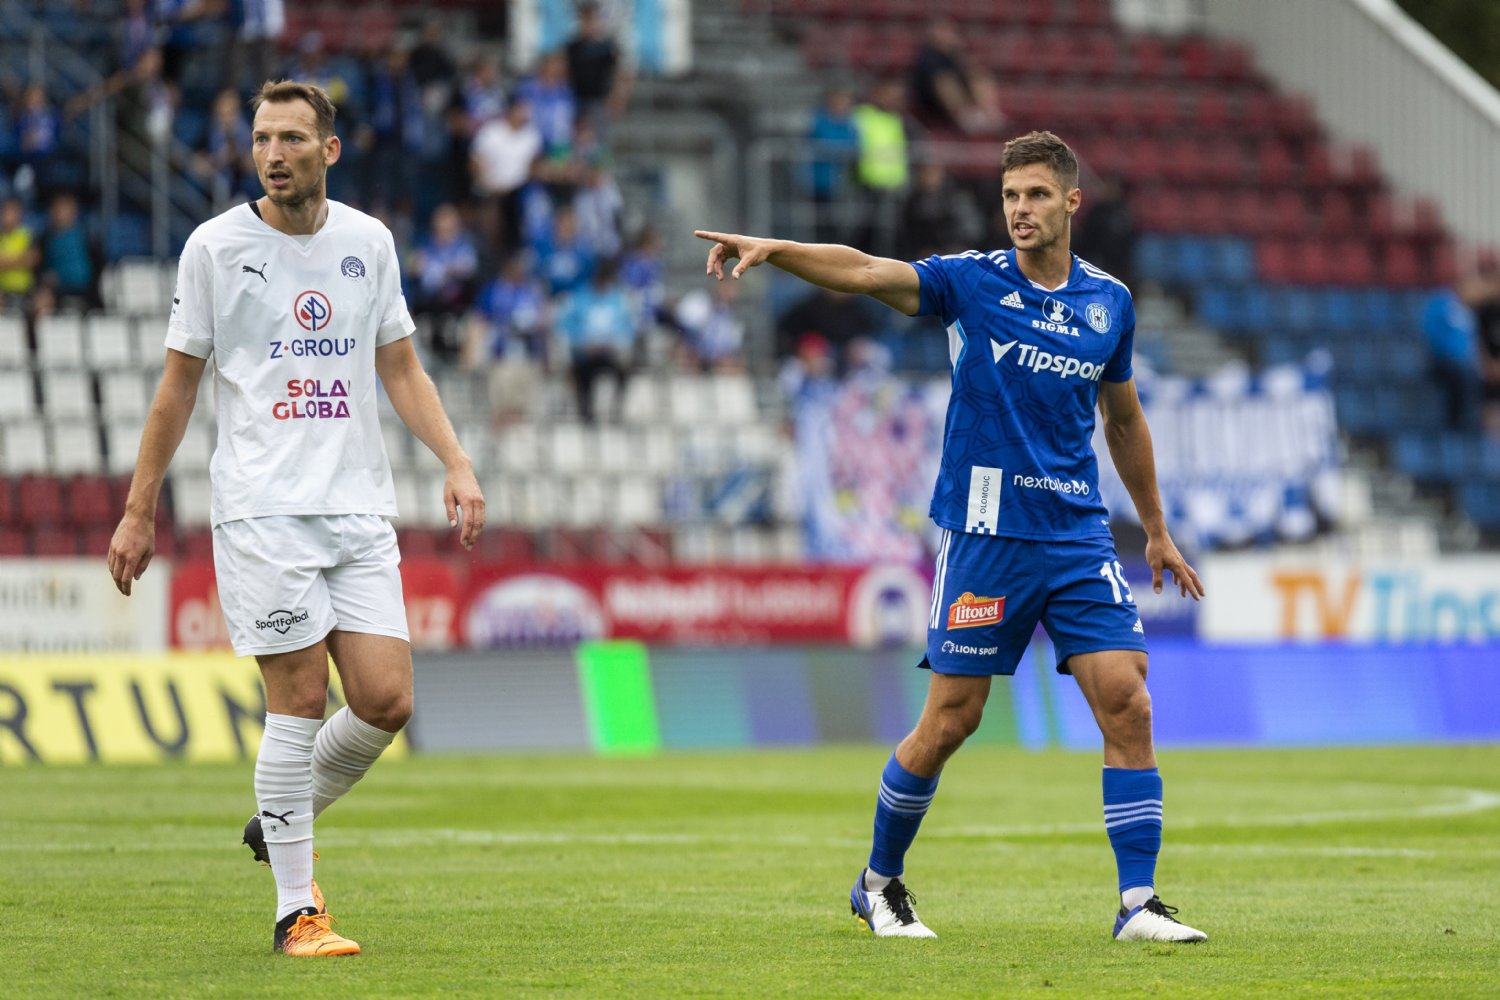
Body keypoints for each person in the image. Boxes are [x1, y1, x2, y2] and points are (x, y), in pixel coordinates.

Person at [694, 130, 1208, 943]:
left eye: (1036, 195)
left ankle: (1137, 904)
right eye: (1010, 196)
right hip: (986, 532)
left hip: (1076, 535)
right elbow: (866, 271)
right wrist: (777, 249)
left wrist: (1155, 529)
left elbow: (1124, 416)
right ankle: (878, 883)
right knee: (951, 721)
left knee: (1129, 701)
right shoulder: (970, 283)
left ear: (1072, 202)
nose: (1020, 210)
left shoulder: (1110, 302)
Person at [106, 80, 484, 958]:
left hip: (357, 502)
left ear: (330, 150)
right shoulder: (214, 248)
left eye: (291, 139)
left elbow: (401, 368)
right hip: (263, 507)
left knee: (388, 701)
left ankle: (279, 818)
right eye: (261, 139)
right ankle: (294, 912)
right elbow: (178, 387)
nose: (273, 154)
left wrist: (456, 461)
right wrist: (138, 509)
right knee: (301, 701)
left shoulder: (369, 242)